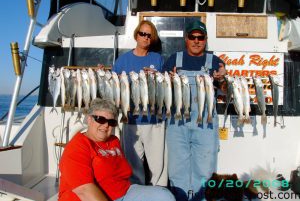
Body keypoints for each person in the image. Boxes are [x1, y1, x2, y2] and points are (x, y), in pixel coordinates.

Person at [58, 98, 175, 201]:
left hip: (124, 192)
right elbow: (84, 190)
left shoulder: (113, 141)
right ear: (89, 119)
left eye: (111, 122)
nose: (105, 125)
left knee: (165, 196)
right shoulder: (77, 146)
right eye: (100, 119)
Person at [163, 20, 226, 201]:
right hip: (177, 122)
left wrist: (222, 80)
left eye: (200, 37)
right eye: (192, 37)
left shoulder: (214, 61)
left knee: (205, 169)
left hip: (205, 123)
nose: (196, 41)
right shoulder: (174, 60)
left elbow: (225, 91)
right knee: (176, 169)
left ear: (205, 39)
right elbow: (162, 91)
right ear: (186, 39)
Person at [112, 20, 168, 186]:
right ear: (136, 35)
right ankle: (137, 194)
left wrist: (158, 76)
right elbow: (113, 86)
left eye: (149, 35)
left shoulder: (158, 59)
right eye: (143, 34)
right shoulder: (122, 61)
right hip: (131, 121)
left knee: (158, 167)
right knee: (133, 167)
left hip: (155, 120)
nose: (146, 38)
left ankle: (160, 194)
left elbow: (167, 88)